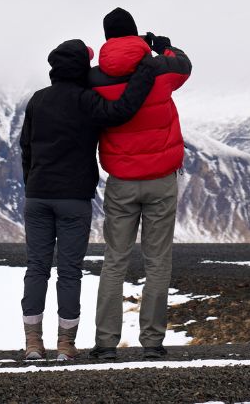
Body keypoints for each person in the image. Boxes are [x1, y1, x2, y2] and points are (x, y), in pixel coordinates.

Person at [18, 39, 158, 362]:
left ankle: (32, 344)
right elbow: (122, 110)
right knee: (69, 271)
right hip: (73, 199)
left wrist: (33, 184)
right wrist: (144, 73)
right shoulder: (86, 100)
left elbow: (25, 148)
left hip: (38, 196)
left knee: (36, 268)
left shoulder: (38, 101)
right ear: (82, 68)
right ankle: (65, 345)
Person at [89, 7, 192, 361]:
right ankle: (152, 343)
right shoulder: (160, 70)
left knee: (114, 260)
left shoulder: (96, 79)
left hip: (121, 183)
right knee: (157, 261)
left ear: (106, 39)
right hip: (162, 181)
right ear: (135, 34)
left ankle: (105, 343)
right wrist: (163, 46)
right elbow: (184, 64)